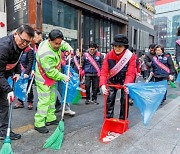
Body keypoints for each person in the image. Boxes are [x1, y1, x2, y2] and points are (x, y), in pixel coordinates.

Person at [0, 24, 34, 140]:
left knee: (4, 105)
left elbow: (17, 59)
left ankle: (3, 131)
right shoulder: (3, 47)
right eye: (23, 40)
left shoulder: (20, 47)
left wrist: (18, 72)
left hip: (3, 74)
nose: (24, 44)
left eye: (28, 42)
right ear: (15, 34)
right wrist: (8, 90)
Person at [34, 29, 71, 134]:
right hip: (43, 77)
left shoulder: (56, 42)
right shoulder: (45, 53)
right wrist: (63, 76)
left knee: (52, 98)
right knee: (44, 100)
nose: (58, 46)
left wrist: (68, 48)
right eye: (56, 44)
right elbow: (50, 71)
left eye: (59, 43)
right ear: (49, 40)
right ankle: (39, 123)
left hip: (52, 77)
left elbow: (63, 43)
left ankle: (50, 118)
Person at [100, 34, 136, 119]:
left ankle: (123, 119)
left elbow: (130, 73)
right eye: (115, 46)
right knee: (109, 99)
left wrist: (127, 85)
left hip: (124, 81)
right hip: (112, 81)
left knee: (124, 100)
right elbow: (104, 71)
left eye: (120, 46)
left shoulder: (130, 56)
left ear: (125, 47)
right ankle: (108, 119)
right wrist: (102, 85)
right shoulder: (109, 55)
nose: (117, 48)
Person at [13, 45, 34, 110]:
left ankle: (30, 101)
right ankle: (20, 101)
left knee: (28, 87)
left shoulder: (29, 50)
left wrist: (27, 72)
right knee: (19, 86)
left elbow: (31, 62)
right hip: (20, 71)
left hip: (27, 71)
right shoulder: (19, 49)